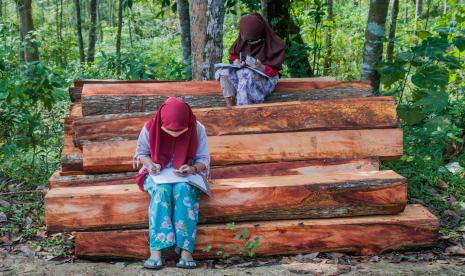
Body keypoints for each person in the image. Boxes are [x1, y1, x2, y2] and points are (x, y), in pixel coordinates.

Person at [133, 97, 210, 269]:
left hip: (187, 175)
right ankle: (156, 250)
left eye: (180, 132)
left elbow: (204, 159)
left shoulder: (197, 129)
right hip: (156, 175)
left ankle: (185, 250)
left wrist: (191, 169)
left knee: (183, 190)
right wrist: (150, 165)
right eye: (168, 131)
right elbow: (141, 153)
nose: (174, 135)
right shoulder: (150, 127)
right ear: (161, 121)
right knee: (161, 191)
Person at [216, 12, 285, 107]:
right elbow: (234, 55)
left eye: (254, 40)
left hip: (265, 80)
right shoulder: (244, 40)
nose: (250, 43)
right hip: (242, 80)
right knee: (224, 72)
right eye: (248, 41)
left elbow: (274, 72)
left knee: (246, 73)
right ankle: (230, 107)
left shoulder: (275, 44)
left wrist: (261, 67)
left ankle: (245, 110)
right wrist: (236, 61)